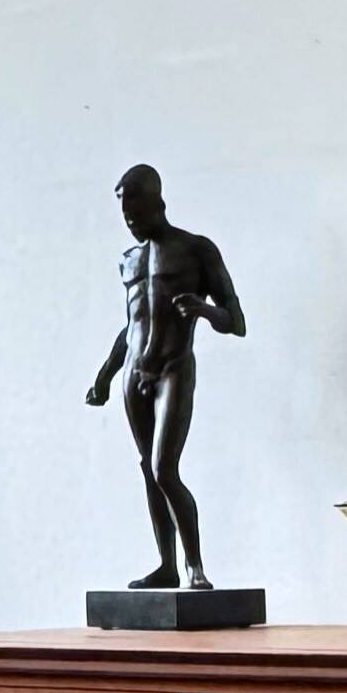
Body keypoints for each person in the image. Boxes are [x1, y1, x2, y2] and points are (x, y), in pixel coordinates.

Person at [86, 164, 245, 590]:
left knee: (164, 469)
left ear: (158, 202)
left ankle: (195, 567)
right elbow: (132, 325)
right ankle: (166, 566)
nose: (131, 222)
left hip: (174, 367)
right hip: (134, 373)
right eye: (125, 215)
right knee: (148, 470)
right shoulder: (129, 260)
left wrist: (204, 309)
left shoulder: (196, 250)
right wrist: (105, 374)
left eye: (137, 212)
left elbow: (236, 320)